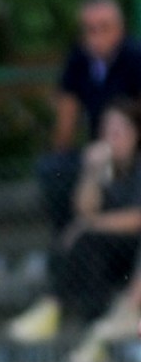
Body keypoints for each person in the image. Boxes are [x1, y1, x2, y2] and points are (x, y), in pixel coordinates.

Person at [8, 98, 141, 346]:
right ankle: (91, 334)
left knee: (84, 239)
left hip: (133, 252)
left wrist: (89, 226)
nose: (111, 137)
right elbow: (84, 210)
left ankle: (55, 306)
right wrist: (92, 172)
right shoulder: (106, 167)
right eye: (106, 130)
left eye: (119, 131)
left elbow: (136, 219)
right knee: (85, 250)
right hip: (110, 252)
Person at [37, 0, 141, 235]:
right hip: (98, 149)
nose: (96, 36)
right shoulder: (79, 60)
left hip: (134, 152)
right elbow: (66, 119)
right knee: (54, 168)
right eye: (89, 28)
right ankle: (67, 239)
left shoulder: (135, 57)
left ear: (120, 28)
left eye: (104, 27)